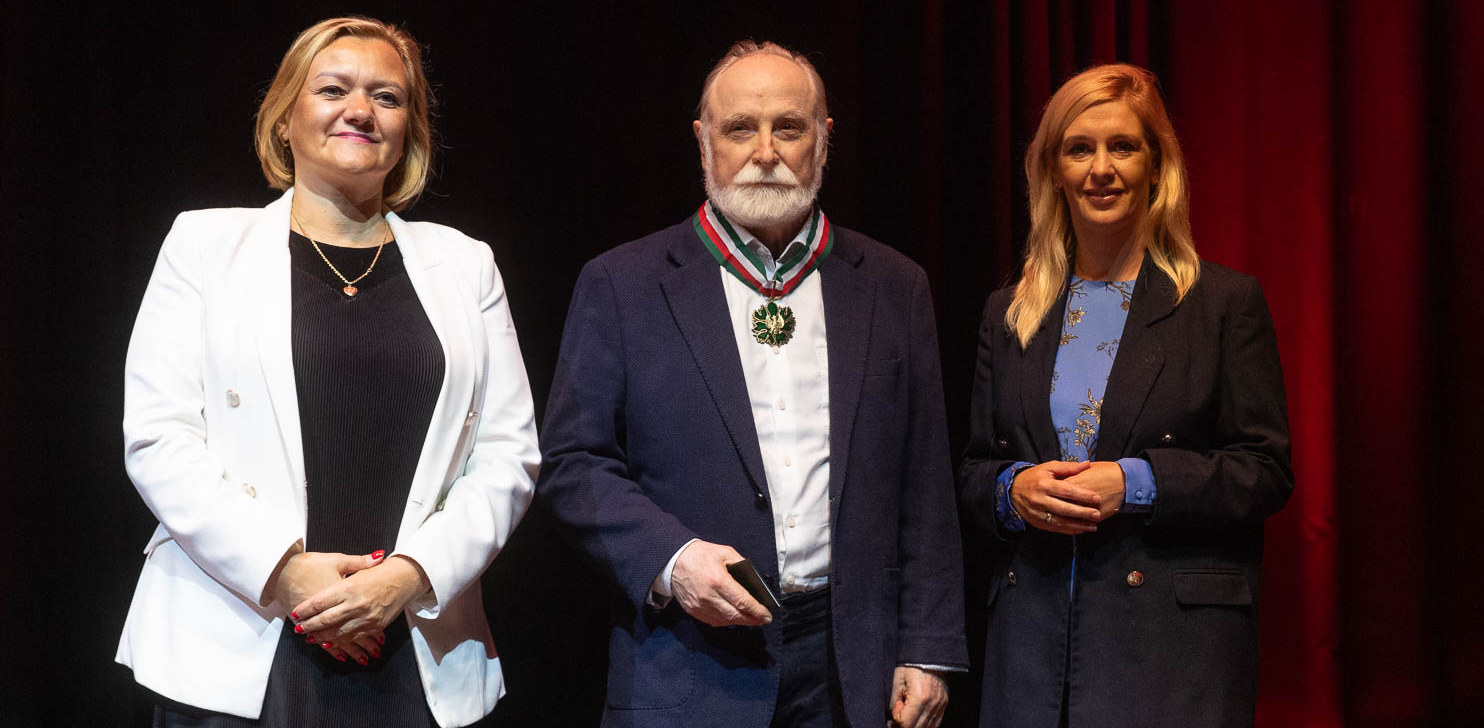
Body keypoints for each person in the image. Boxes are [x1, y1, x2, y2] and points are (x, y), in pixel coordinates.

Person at [116, 16, 539, 727]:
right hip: (238, 641)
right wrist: (287, 574)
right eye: (333, 89)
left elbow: (509, 455)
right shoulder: (203, 245)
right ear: (285, 119)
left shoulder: (466, 264)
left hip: (416, 646)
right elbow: (159, 437)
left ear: (409, 130)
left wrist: (407, 578)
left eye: (387, 97)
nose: (359, 111)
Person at [537, 41, 967, 728]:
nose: (765, 150)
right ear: (704, 141)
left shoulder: (894, 285)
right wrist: (672, 559)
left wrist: (929, 647)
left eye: (788, 127)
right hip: (686, 661)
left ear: (823, 142)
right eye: (741, 128)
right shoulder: (621, 284)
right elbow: (570, 464)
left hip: (853, 668)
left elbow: (925, 483)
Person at [958, 63, 1293, 727]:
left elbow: (1264, 472)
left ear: (1156, 166)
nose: (1100, 168)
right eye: (1079, 149)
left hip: (1172, 656)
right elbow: (972, 472)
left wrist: (1136, 482)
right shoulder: (1010, 311)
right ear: (1054, 170)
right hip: (1033, 653)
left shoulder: (1223, 304)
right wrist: (1011, 492)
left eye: (1123, 147)